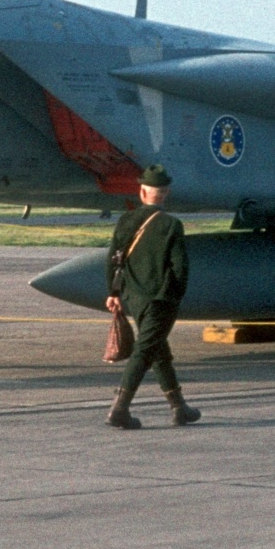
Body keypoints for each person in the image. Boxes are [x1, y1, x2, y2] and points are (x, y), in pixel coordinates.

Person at [103, 164, 199, 430]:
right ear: (165, 193)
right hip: (160, 299)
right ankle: (119, 409)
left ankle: (179, 407)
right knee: (145, 351)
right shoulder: (171, 225)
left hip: (133, 298)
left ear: (142, 192)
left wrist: (113, 292)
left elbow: (113, 259)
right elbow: (180, 266)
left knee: (158, 350)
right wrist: (174, 296)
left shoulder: (125, 221)